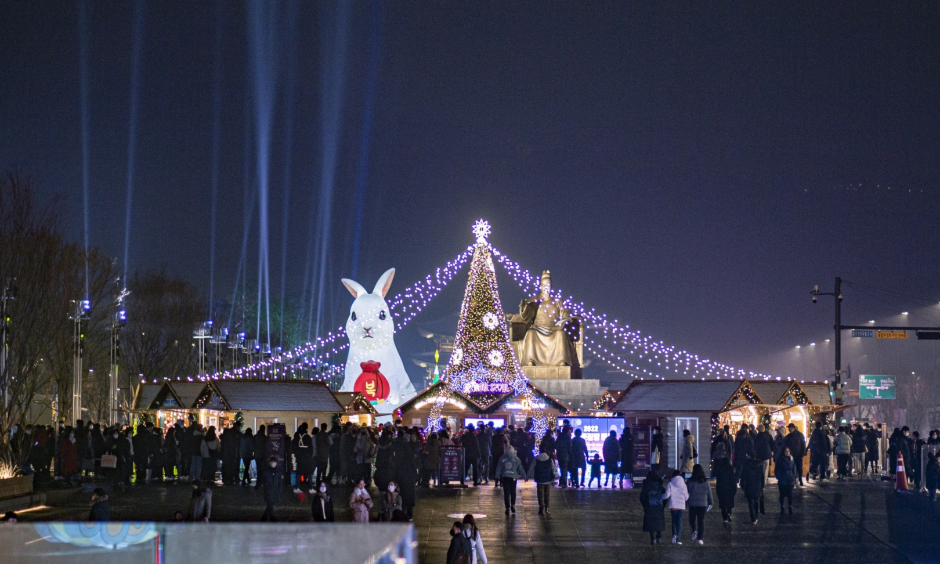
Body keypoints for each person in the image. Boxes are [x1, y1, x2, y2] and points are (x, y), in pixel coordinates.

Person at [494, 445, 526, 515]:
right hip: (513, 477)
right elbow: (520, 468)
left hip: (505, 477)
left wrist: (497, 476)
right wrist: (525, 476)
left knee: (506, 493)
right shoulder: (516, 458)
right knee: (513, 492)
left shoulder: (502, 458)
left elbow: (498, 467)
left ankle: (507, 507)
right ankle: (513, 505)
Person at [686, 464, 712, 545]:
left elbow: (686, 492)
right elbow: (709, 493)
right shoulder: (705, 481)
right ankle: (700, 539)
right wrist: (711, 502)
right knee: (701, 521)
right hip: (703, 504)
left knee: (691, 520)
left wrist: (686, 502)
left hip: (693, 503)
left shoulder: (690, 481)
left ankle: (694, 531)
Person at [662, 469, 689, 544]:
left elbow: (667, 495)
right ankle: (679, 539)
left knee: (674, 521)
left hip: (673, 505)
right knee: (679, 522)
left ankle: (674, 535)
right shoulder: (684, 485)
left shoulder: (670, 483)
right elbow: (686, 497)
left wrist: (661, 497)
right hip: (681, 506)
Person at [640, 469, 666, 545]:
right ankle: (659, 537)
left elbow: (642, 497)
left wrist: (645, 505)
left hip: (649, 507)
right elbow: (664, 496)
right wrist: (662, 505)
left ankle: (652, 539)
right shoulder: (660, 485)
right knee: (659, 522)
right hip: (659, 506)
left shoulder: (646, 485)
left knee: (650, 523)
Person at [528, 449, 557, 515]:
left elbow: (531, 468)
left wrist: (527, 476)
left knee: (540, 494)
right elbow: (553, 469)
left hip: (539, 479)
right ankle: (547, 508)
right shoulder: (550, 459)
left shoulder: (536, 459)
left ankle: (541, 508)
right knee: (547, 494)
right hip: (548, 479)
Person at [740, 456, 765, 525]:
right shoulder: (759, 465)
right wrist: (762, 485)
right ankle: (755, 516)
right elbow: (762, 476)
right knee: (756, 501)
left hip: (749, 485)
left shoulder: (746, 465)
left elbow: (743, 476)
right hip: (757, 485)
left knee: (750, 503)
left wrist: (742, 485)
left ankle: (753, 518)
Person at [775, 447, 796, 515]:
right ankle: (782, 506)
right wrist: (779, 476)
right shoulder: (780, 460)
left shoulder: (791, 459)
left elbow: (794, 468)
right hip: (783, 478)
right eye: (786, 451)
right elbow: (777, 469)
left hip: (790, 478)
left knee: (790, 493)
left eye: (788, 451)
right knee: (782, 494)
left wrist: (794, 476)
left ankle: (790, 506)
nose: (787, 453)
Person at [260, 456, 281, 522]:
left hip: (275, 492)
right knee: (270, 506)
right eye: (271, 462)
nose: (272, 464)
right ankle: (273, 520)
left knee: (269, 507)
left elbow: (280, 483)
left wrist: (279, 492)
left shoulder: (278, 472)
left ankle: (264, 520)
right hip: (268, 492)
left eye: (274, 462)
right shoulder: (266, 472)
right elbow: (263, 481)